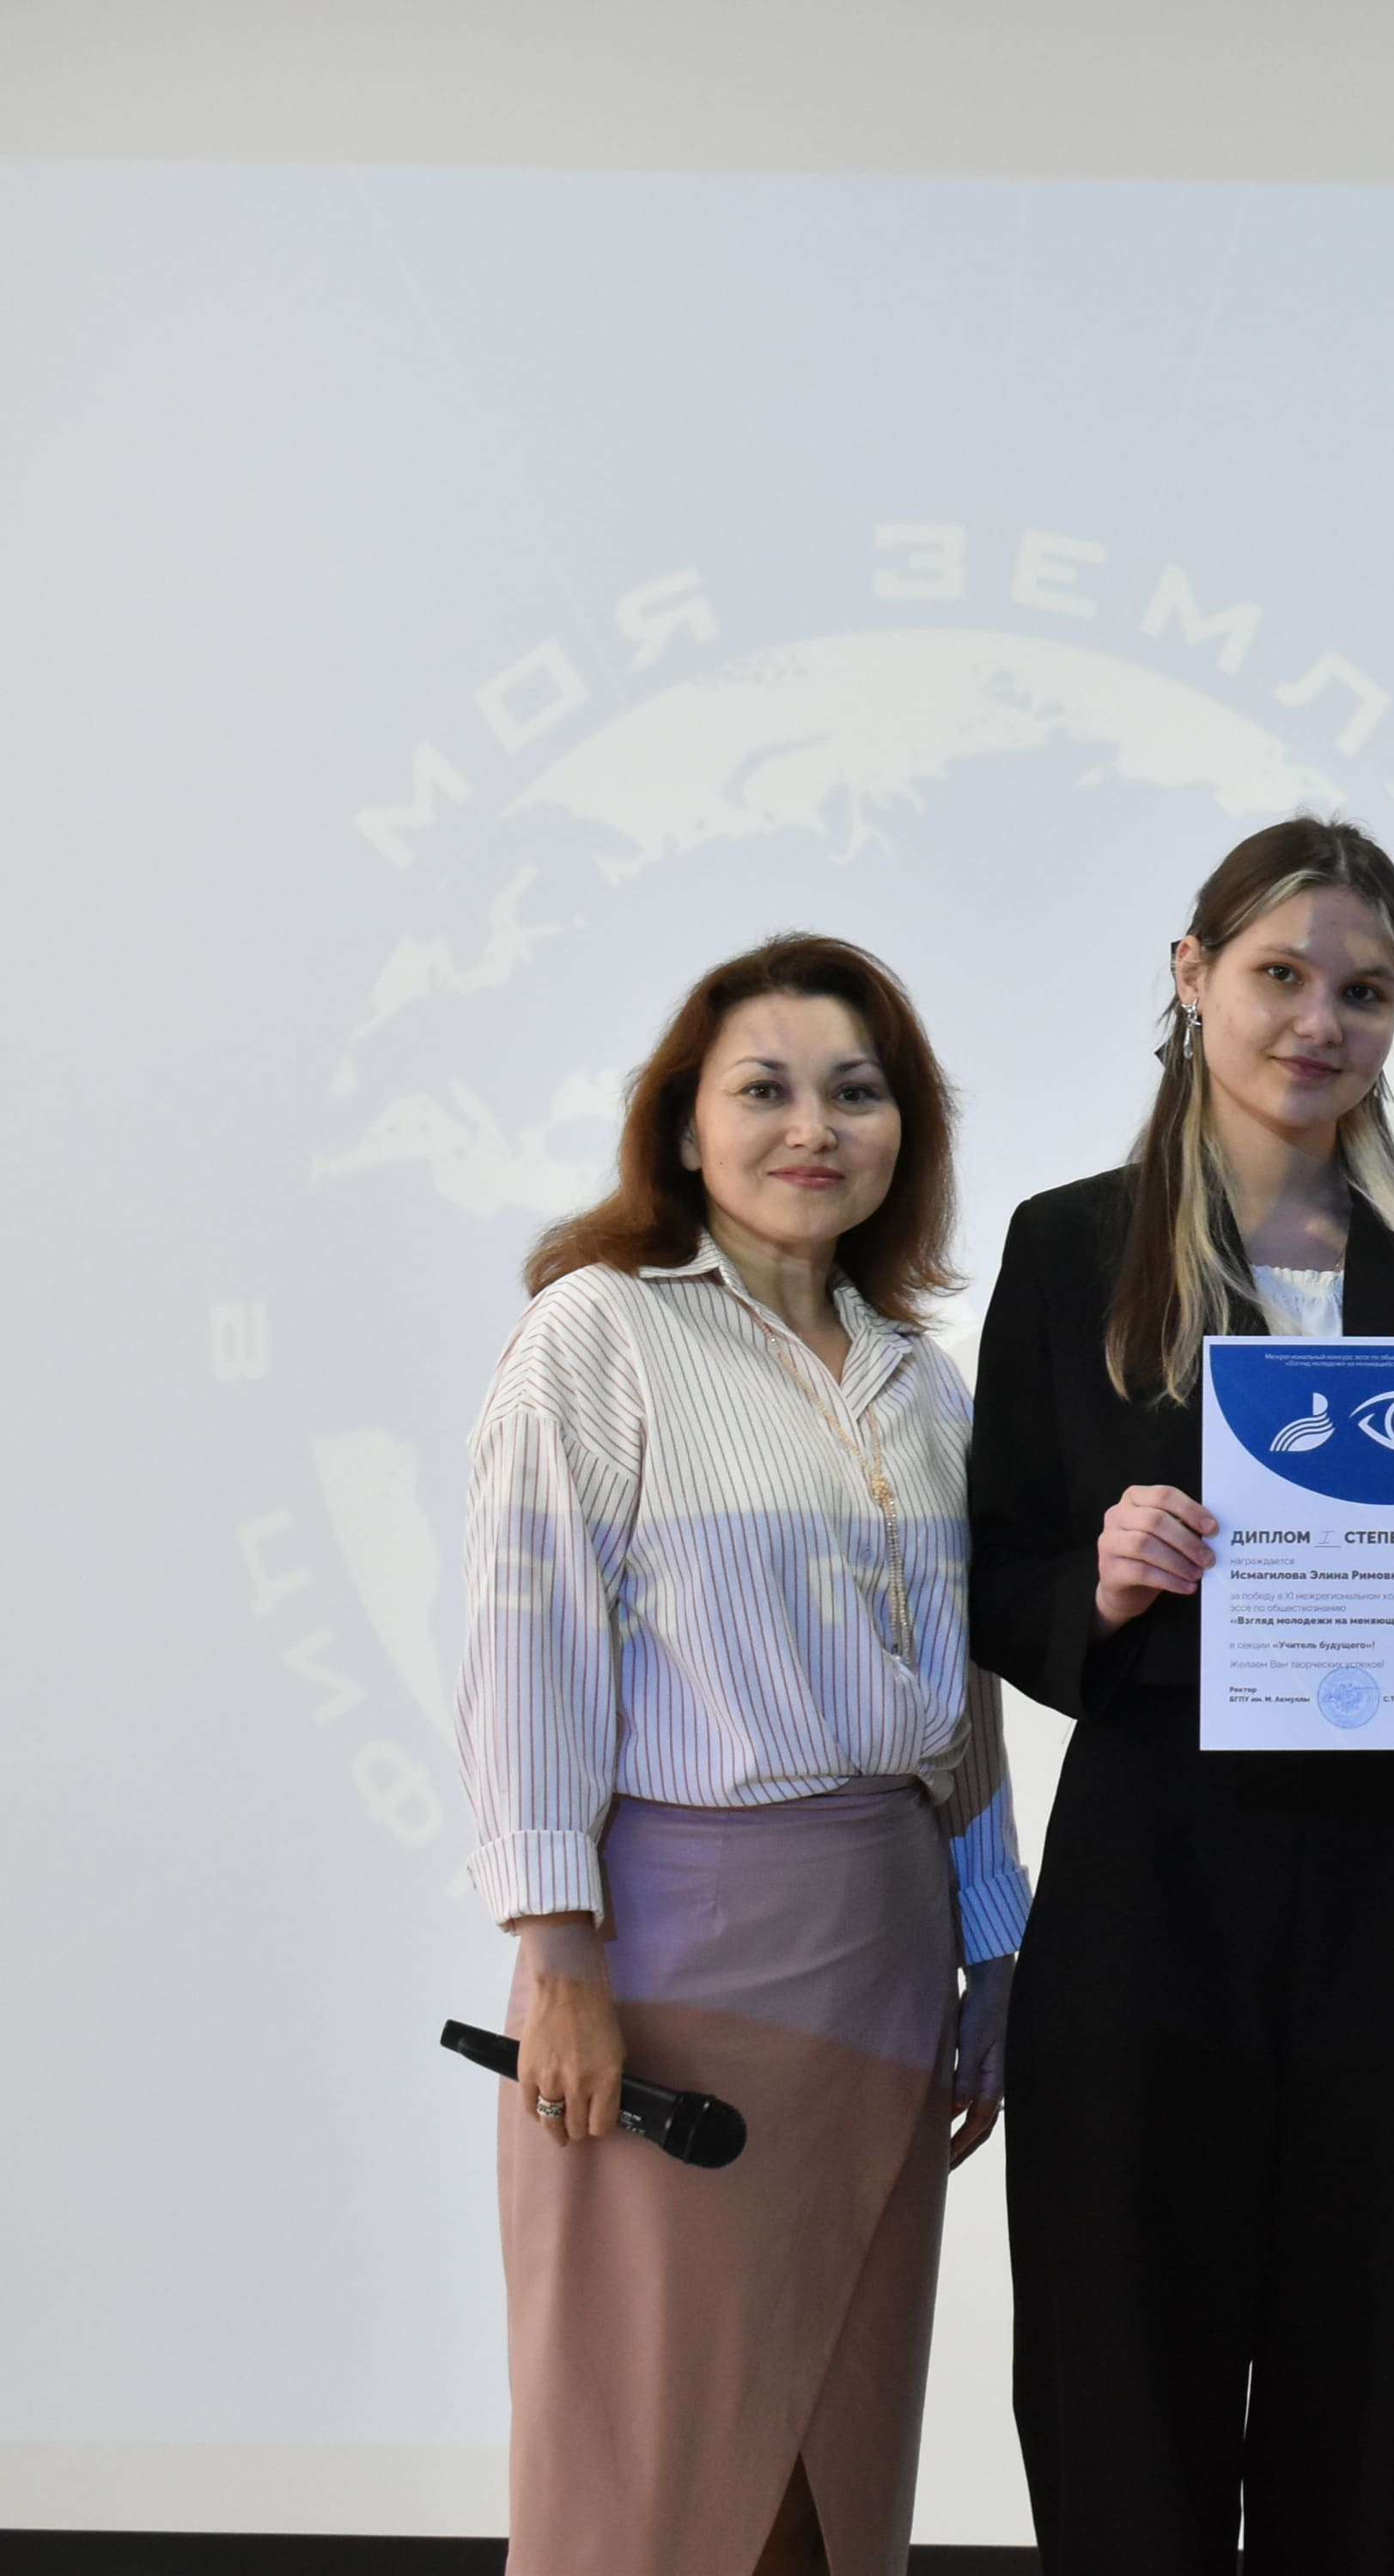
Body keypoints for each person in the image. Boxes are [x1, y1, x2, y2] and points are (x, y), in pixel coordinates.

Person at [968, 818, 1394, 2574]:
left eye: (1365, 992)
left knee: (1371, 2369)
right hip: (1149, 1870)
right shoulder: (1072, 1245)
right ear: (1193, 975)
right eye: (1282, 975)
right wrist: (1100, 1577)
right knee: (1120, 2363)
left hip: (1389, 1878)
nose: (1321, 1021)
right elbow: (993, 1570)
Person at [454, 934, 1025, 2576]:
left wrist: (997, 1944)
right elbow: (527, 1656)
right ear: (684, 1126)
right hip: (676, 1971)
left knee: (830, 2473)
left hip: (891, 1971)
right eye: (764, 1089)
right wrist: (560, 1963)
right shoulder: (596, 1335)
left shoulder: (923, 1380)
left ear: (906, 1131)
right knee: (659, 2470)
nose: (813, 1128)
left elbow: (963, 1696)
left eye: (857, 1092)